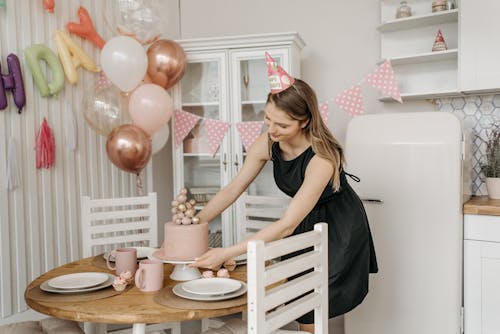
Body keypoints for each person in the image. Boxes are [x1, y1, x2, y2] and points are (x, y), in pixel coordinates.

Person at [190, 52, 378, 333]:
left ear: (304, 121)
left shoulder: (322, 158)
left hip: (339, 227)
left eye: (282, 125)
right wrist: (196, 222)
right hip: (305, 221)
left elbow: (287, 223)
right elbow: (234, 187)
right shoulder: (268, 142)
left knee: (313, 306)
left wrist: (226, 252)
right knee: (299, 300)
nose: (272, 130)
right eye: (268, 119)